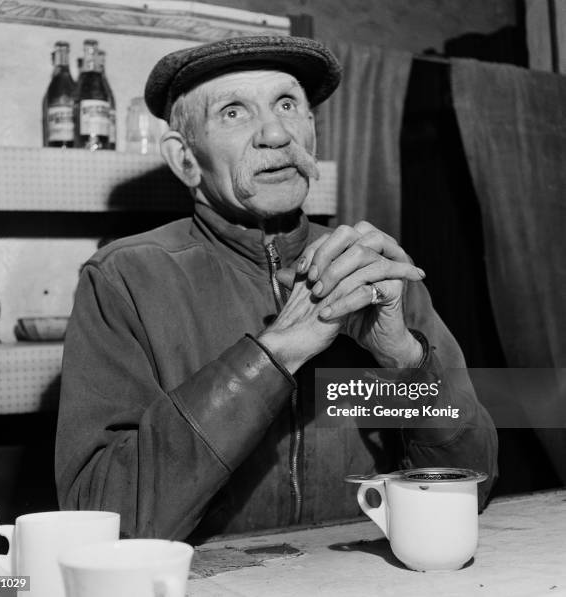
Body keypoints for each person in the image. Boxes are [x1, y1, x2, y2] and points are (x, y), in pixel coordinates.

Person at [55, 36, 498, 541]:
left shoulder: (374, 271)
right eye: (233, 113)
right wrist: (274, 355)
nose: (275, 132)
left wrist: (405, 361)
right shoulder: (122, 280)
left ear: (310, 129)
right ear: (185, 160)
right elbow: (102, 517)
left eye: (288, 105)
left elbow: (470, 489)